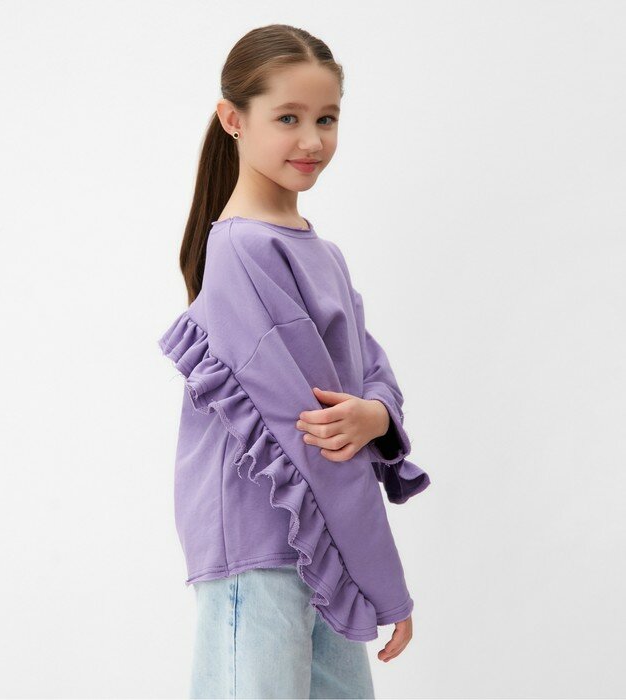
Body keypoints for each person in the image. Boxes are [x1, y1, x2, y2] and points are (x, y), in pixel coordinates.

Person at [158, 23, 431, 699]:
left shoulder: (321, 253)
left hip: (320, 542)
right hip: (263, 548)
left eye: (326, 119)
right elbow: (307, 432)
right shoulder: (243, 253)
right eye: (288, 118)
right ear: (234, 119)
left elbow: (372, 372)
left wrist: (376, 414)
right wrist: (384, 581)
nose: (312, 141)